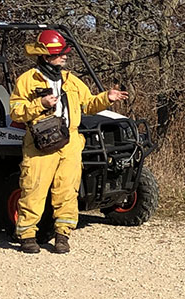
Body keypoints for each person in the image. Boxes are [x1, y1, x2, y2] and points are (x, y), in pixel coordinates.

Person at [10, 29, 128, 254]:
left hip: (70, 141)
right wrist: (41, 104)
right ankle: (26, 236)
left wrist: (107, 98)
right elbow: (16, 112)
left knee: (67, 190)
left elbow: (89, 104)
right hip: (40, 143)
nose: (65, 57)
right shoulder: (26, 80)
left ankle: (62, 236)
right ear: (46, 56)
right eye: (60, 53)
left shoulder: (71, 80)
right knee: (33, 189)